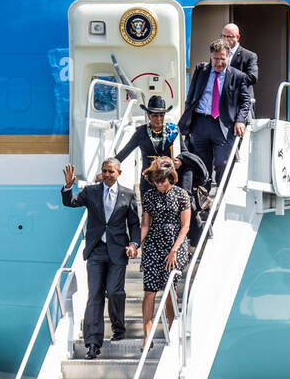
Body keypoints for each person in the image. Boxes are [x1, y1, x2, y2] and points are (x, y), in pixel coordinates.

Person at [61, 159, 140, 359]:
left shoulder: (128, 195)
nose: (106, 174)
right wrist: (68, 187)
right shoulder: (91, 191)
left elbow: (134, 224)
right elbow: (70, 202)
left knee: (114, 292)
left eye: (110, 171)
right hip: (96, 250)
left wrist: (134, 244)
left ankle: (118, 328)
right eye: (104, 171)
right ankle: (93, 343)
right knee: (94, 295)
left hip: (118, 250)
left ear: (119, 173)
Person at [178, 39, 252, 183]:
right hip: (200, 122)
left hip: (223, 125)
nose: (218, 63)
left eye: (222, 59)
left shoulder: (238, 76)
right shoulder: (201, 70)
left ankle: (222, 194)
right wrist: (188, 120)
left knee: (223, 162)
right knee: (200, 163)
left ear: (229, 57)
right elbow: (191, 96)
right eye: (215, 59)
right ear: (211, 57)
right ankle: (202, 198)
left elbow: (245, 101)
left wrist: (240, 120)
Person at [138, 157, 192, 351]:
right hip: (153, 244)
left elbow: (185, 226)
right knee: (150, 291)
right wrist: (137, 244)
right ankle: (147, 335)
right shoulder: (149, 196)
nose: (159, 185)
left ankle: (171, 327)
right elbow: (145, 224)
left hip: (174, 244)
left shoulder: (181, 195)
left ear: (170, 178)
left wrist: (174, 250)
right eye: (156, 182)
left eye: (162, 181)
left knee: (169, 290)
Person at [112, 96, 192, 203]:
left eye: (161, 115)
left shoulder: (173, 131)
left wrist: (180, 160)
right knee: (147, 214)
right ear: (149, 116)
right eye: (155, 116)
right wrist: (110, 167)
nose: (158, 119)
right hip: (148, 180)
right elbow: (124, 152)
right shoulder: (141, 132)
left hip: (168, 181)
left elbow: (185, 152)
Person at [221, 23, 259, 88]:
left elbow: (252, 77)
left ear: (238, 37)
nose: (225, 39)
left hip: (240, 95)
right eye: (223, 36)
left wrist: (229, 78)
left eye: (229, 36)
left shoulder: (249, 56)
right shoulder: (218, 54)